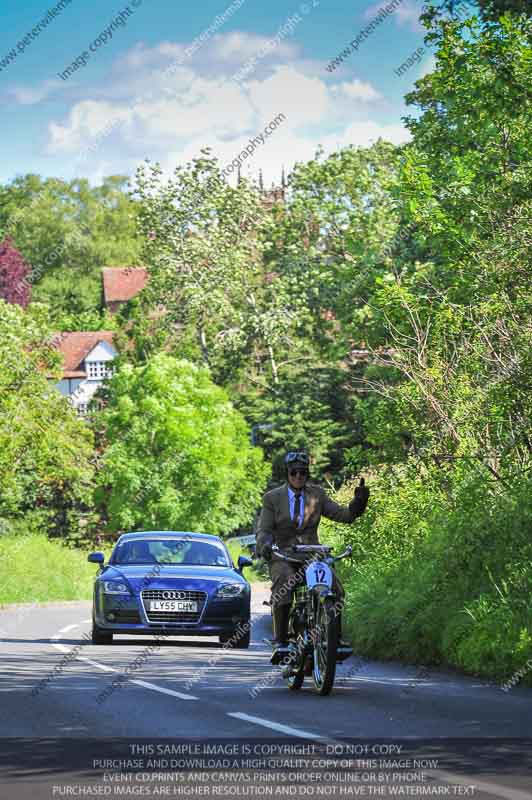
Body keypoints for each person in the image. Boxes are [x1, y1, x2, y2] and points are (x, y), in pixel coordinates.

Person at [256, 451, 369, 663]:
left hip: (312, 555)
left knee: (336, 588)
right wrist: (265, 545)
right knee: (284, 583)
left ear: (307, 474)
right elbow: (264, 529)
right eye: (294, 472)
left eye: (303, 472)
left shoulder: (317, 495)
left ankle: (334, 637)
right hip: (284, 555)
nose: (298, 476)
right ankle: (280, 640)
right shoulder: (272, 498)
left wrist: (358, 504)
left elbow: (344, 515)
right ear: (287, 474)